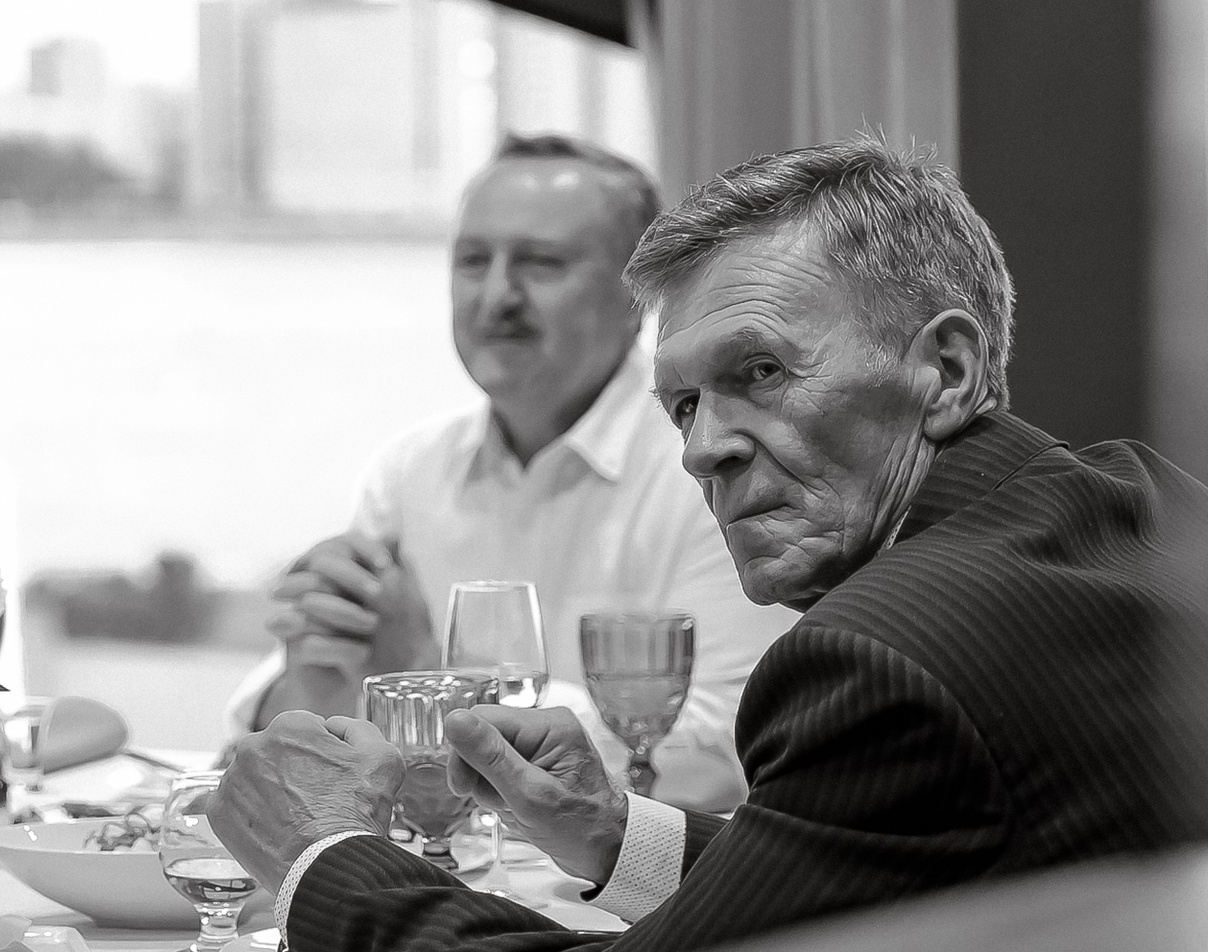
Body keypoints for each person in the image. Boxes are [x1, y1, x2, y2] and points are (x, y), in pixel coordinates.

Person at [212, 138, 1208, 952]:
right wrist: (611, 831)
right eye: (685, 404)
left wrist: (325, 857)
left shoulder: (882, 655)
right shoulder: (1139, 494)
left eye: (761, 371)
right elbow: (843, 884)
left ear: (945, 371)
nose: (702, 450)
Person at [227, 134, 795, 810]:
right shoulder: (410, 470)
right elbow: (283, 727)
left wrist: (429, 678)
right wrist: (318, 670)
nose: (497, 295)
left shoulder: (708, 465)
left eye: (540, 263)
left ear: (638, 296)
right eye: (473, 261)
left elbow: (728, 754)